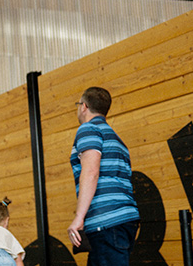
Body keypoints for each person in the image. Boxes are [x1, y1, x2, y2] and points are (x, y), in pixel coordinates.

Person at [67, 86, 140, 266]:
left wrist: (79, 217)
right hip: (124, 220)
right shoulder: (117, 140)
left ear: (83, 106)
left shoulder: (88, 129)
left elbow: (91, 171)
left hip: (106, 222)